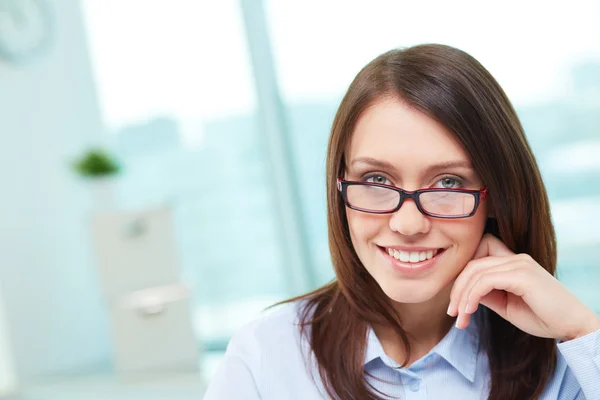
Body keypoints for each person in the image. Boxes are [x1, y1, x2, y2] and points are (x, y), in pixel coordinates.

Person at [203, 44, 600, 400]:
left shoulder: (565, 360)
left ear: (495, 197)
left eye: (448, 182)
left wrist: (584, 332)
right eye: (376, 180)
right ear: (339, 187)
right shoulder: (267, 355)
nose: (408, 224)